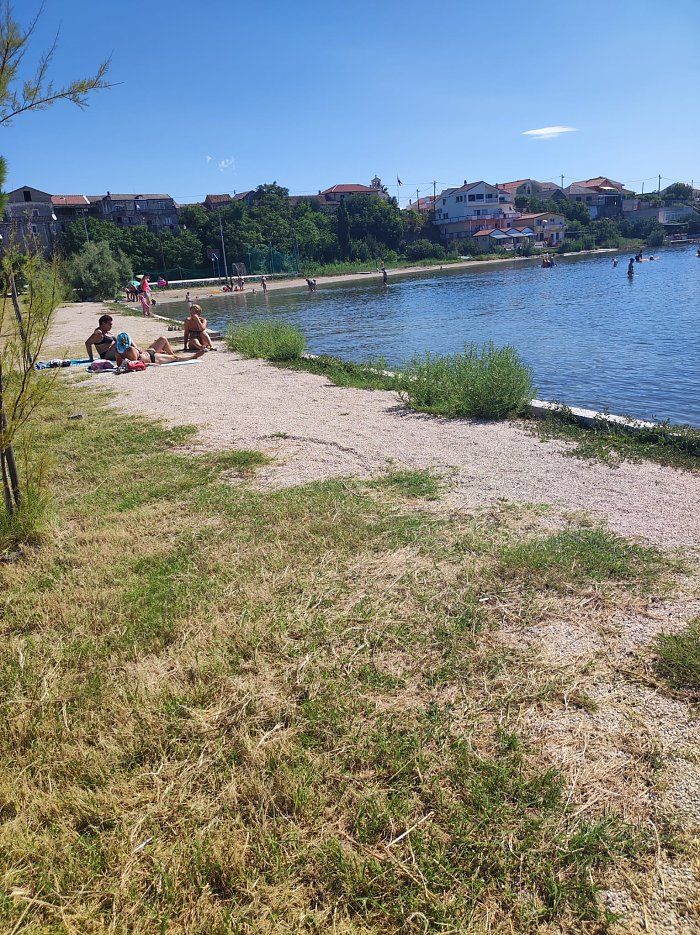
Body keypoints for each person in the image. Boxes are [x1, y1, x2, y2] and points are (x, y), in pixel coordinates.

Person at [115, 331, 202, 366]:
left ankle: (171, 355)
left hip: (148, 353)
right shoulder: (128, 351)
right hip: (152, 358)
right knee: (175, 358)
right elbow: (137, 364)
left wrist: (137, 348)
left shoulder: (122, 351)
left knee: (163, 339)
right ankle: (192, 357)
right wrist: (151, 364)